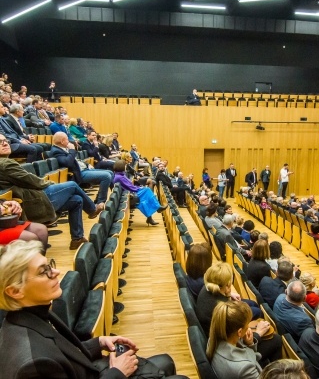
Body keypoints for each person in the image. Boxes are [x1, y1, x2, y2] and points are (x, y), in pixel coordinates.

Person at [0, 240, 187, 379]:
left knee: (166, 361)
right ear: (15, 291)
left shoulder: (33, 313)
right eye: (43, 271)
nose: (55, 272)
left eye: (50, 265)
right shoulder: (32, 366)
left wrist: (98, 343)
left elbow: (63, 354)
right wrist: (117, 373)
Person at [0, 133, 104, 249]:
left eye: (6, 141)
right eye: (0, 142)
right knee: (72, 185)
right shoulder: (5, 164)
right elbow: (30, 180)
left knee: (77, 200)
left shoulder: (5, 162)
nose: (5, 143)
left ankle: (77, 238)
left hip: (30, 196)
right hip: (33, 199)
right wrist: (49, 183)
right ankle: (92, 209)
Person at [50, 132, 114, 205]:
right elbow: (68, 162)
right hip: (79, 173)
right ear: (62, 141)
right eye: (67, 139)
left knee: (110, 172)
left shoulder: (63, 149)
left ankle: (106, 198)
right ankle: (100, 202)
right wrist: (72, 150)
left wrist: (86, 164)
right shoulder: (56, 151)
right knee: (106, 176)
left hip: (84, 169)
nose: (69, 141)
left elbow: (76, 160)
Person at [206, 300, 263, 379]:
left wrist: (249, 344)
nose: (248, 327)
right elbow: (252, 362)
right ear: (239, 332)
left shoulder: (213, 340)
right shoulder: (245, 369)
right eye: (247, 324)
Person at [113, 160, 167, 226]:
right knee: (147, 191)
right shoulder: (120, 177)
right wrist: (140, 188)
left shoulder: (121, 175)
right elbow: (130, 187)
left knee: (145, 198)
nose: (125, 167)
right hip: (129, 194)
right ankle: (157, 208)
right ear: (121, 167)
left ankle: (151, 216)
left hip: (130, 192)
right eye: (125, 166)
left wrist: (139, 187)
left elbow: (129, 186)